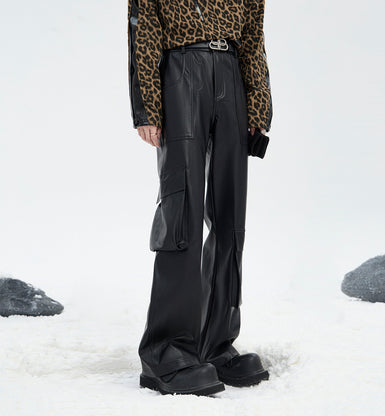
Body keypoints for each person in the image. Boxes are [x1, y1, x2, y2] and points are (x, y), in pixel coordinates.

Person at [127, 0, 273, 396]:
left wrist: (259, 104)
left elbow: (253, 36)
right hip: (180, 71)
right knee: (182, 210)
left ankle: (215, 344)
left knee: (230, 216)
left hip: (232, 75)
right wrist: (147, 107)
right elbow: (145, 30)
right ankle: (165, 351)